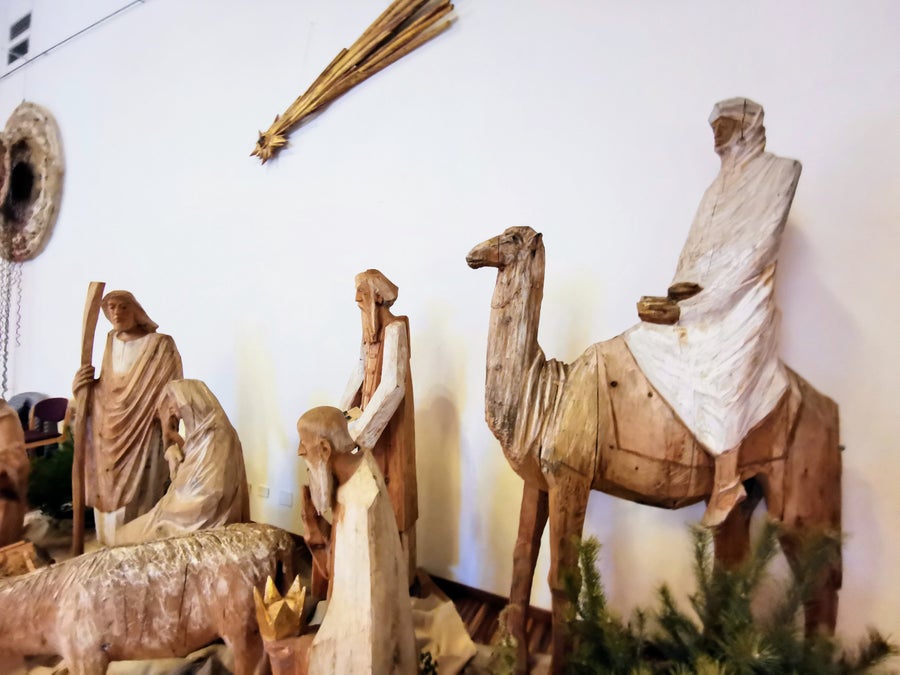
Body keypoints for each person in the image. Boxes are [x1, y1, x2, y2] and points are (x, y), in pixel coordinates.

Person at [625, 98, 802, 527]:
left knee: (723, 367)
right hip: (699, 301)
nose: (717, 134)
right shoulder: (714, 190)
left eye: (726, 124)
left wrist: (707, 300)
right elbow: (693, 253)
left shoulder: (781, 172)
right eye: (714, 126)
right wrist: (676, 297)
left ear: (748, 124)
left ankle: (726, 479)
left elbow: (757, 250)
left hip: (744, 299)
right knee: (642, 339)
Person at [297, 406, 417, 675]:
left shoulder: (361, 504)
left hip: (364, 631)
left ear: (325, 450)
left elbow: (362, 600)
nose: (300, 452)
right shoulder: (353, 469)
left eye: (304, 445)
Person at [72, 290, 183, 545]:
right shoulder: (110, 340)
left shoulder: (160, 345)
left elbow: (171, 392)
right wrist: (82, 388)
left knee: (140, 500)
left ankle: (133, 549)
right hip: (106, 429)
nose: (116, 313)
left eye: (123, 306)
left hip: (143, 429)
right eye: (111, 307)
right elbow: (105, 389)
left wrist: (170, 435)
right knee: (106, 494)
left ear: (137, 311)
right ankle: (107, 547)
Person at [340, 269, 418, 578]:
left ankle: (400, 579)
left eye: (361, 296)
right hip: (369, 431)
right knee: (368, 497)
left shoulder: (396, 330)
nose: (356, 301)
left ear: (378, 298)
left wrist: (360, 431)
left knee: (395, 498)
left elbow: (392, 387)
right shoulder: (368, 335)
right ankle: (372, 576)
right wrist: (341, 417)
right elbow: (360, 373)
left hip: (391, 434)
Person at [114, 379, 250, 545]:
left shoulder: (218, 437)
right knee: (122, 536)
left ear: (189, 402)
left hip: (193, 520)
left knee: (126, 539)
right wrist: (173, 455)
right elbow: (189, 472)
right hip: (176, 511)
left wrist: (171, 504)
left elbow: (211, 494)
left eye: (175, 404)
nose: (172, 410)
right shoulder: (200, 435)